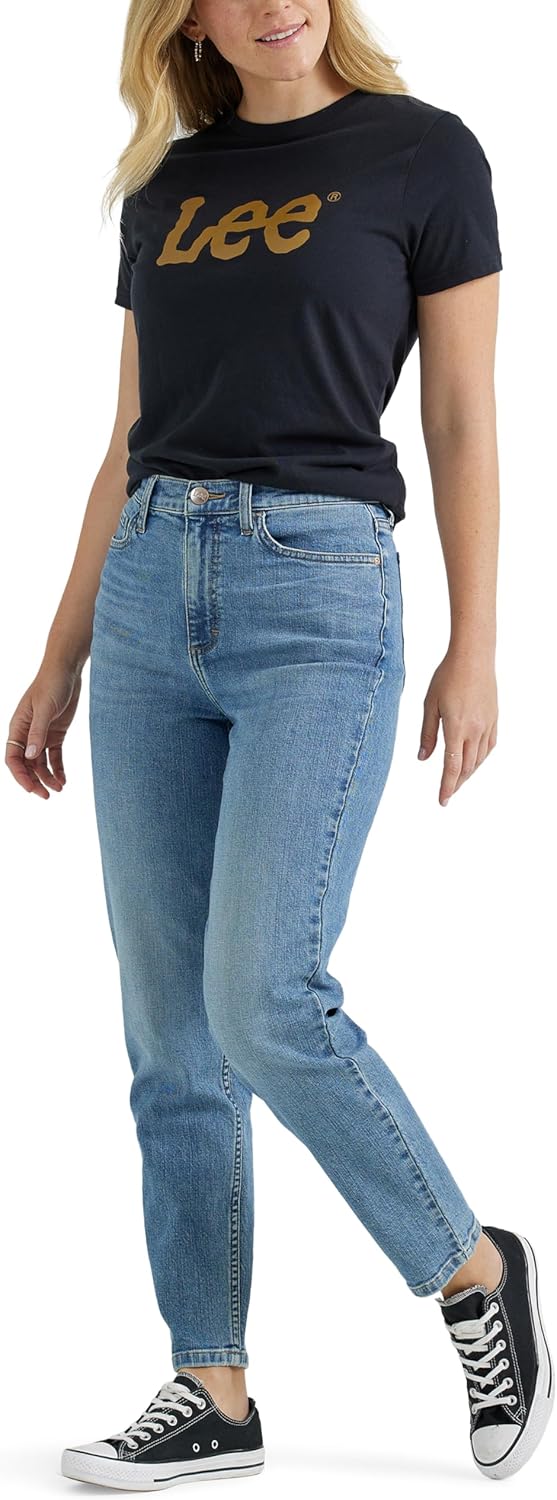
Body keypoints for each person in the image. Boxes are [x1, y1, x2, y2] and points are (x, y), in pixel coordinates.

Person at [6, 1, 553, 1490]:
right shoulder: (167, 186)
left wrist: (478, 643)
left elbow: (460, 413)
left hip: (319, 592)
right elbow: (129, 431)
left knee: (262, 1001)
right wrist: (59, 651)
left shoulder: (423, 155)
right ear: (183, 18)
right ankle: (215, 1387)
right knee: (169, 1037)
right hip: (146, 592)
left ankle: (473, 1270)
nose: (272, 3)